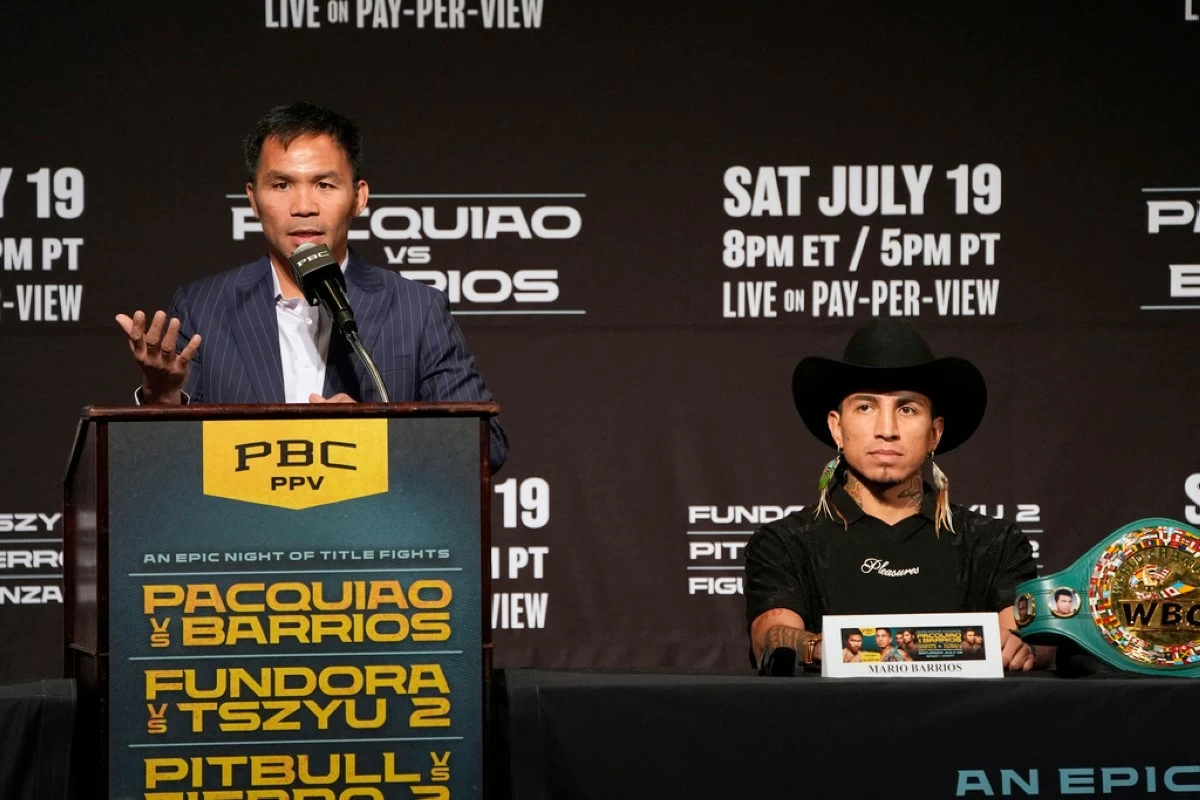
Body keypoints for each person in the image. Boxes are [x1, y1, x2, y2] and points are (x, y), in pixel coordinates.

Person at [114, 102, 507, 471]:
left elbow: (486, 446)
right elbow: (165, 466)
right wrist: (162, 397)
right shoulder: (202, 306)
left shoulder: (416, 310)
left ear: (358, 197)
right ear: (253, 199)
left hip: (371, 522)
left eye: (324, 185)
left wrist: (373, 440)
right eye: (281, 185)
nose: (304, 206)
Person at [745, 319, 1051, 673]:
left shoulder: (994, 544)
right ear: (837, 428)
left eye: (907, 409)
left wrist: (1023, 646)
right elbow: (770, 638)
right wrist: (820, 648)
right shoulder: (785, 543)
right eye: (866, 407)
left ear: (934, 434)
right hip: (829, 710)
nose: (887, 430)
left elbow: (1038, 640)